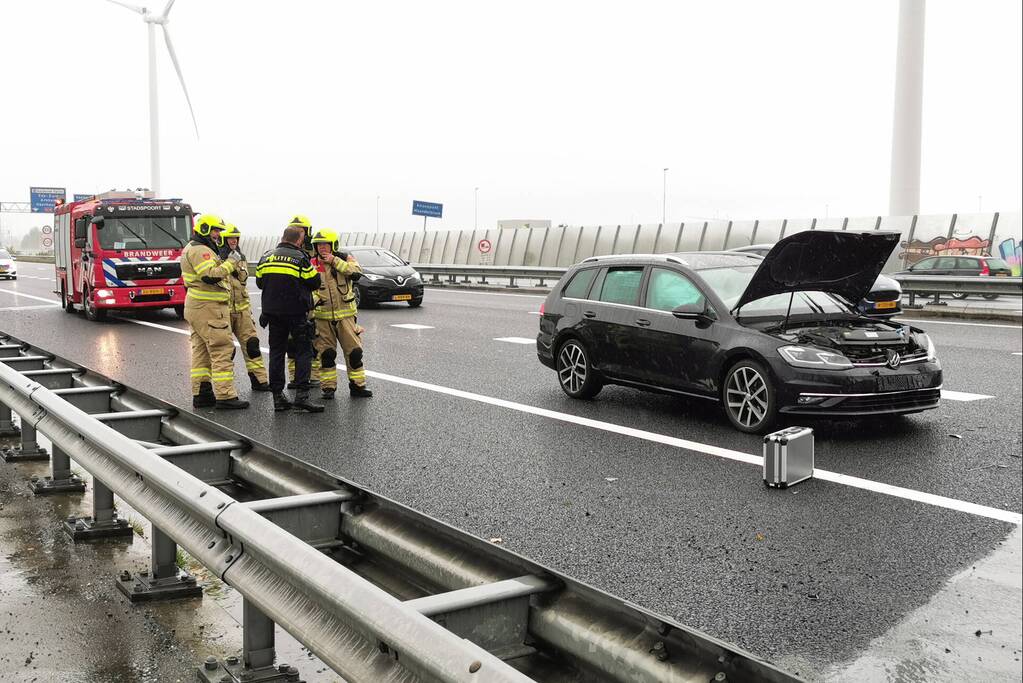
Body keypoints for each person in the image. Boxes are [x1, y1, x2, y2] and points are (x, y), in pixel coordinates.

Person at [179, 214, 249, 410]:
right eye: (215, 230)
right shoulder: (202, 250)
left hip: (197, 306)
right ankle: (225, 396)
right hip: (209, 308)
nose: (218, 235)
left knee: (201, 352)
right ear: (205, 229)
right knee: (221, 349)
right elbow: (209, 276)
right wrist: (231, 262)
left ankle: (202, 394)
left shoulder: (192, 248)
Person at [255, 224, 324, 413]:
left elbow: (260, 282)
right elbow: (314, 282)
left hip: (272, 314)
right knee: (304, 352)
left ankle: (278, 397)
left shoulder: (266, 256)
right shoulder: (300, 258)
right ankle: (302, 396)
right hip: (296, 313)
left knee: (276, 353)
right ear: (299, 239)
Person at [309, 229, 373, 399]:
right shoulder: (311, 263)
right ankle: (328, 388)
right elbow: (306, 288)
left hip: (346, 317)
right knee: (327, 354)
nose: (322, 248)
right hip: (322, 319)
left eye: (325, 244)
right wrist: (315, 299)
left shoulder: (345, 258)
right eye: (319, 245)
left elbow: (357, 273)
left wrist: (334, 261)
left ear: (333, 245)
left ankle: (358, 386)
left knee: (354, 353)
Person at [218, 223, 271, 392]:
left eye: (235, 238)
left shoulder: (241, 256)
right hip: (223, 310)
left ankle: (260, 381)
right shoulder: (216, 257)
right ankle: (224, 390)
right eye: (230, 238)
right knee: (225, 351)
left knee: (252, 344)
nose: (233, 241)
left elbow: (243, 279)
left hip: (242, 310)